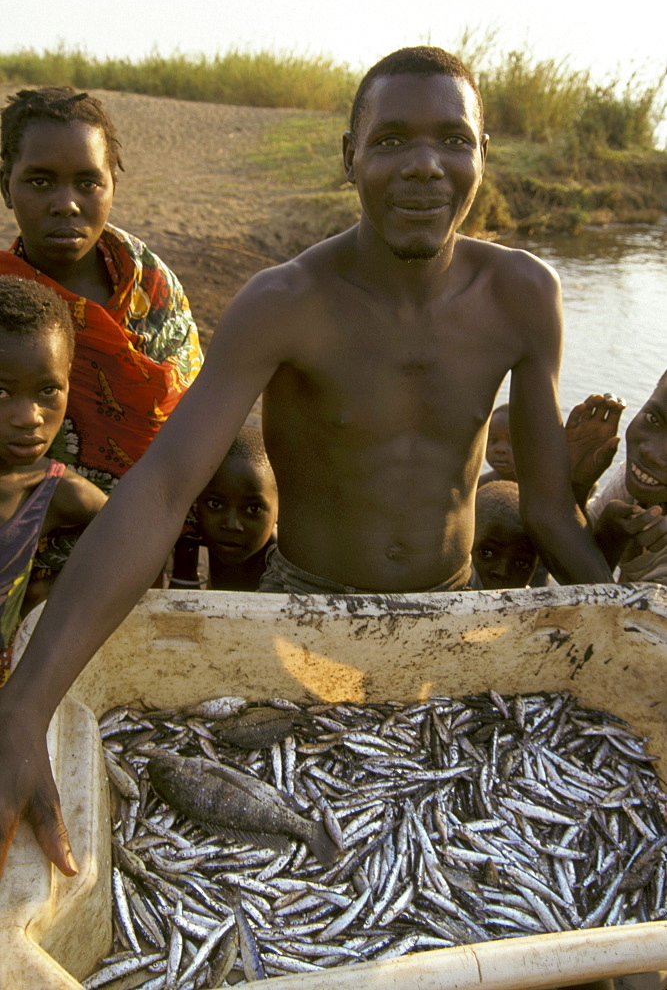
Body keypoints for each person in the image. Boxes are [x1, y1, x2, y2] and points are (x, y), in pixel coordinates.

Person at [0, 46, 612, 879]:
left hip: (450, 609)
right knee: (306, 858)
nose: (425, 166)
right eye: (392, 140)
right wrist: (24, 705)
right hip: (298, 613)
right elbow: (163, 487)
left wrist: (627, 617)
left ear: (481, 153)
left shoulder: (523, 295)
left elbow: (545, 509)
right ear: (350, 157)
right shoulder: (284, 302)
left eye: (452, 141)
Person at [0, 87, 202, 494]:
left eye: (88, 183)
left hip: (147, 528)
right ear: (6, 187)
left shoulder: (154, 288)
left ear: (112, 185)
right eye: (40, 181)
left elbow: (194, 425)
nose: (66, 204)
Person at [0, 276, 106, 684]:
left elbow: (136, 545)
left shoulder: (56, 493)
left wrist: (51, 596)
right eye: (2, 393)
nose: (30, 417)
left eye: (47, 390)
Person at [170, 426, 278, 591]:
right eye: (215, 504)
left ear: (280, 509)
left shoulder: (287, 562)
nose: (231, 524)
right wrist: (184, 555)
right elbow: (181, 599)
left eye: (253, 509)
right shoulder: (191, 530)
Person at [582, 375, 667, 582]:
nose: (650, 453)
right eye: (653, 419)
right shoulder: (642, 481)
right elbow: (570, 552)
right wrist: (578, 484)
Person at [472, 481, 538, 589]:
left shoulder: (540, 604)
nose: (502, 572)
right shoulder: (440, 597)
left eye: (521, 563)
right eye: (486, 553)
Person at [478, 402, 516, 486]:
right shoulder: (480, 486)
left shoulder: (542, 487)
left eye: (512, 442)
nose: (500, 449)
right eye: (493, 440)